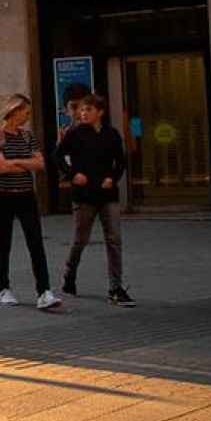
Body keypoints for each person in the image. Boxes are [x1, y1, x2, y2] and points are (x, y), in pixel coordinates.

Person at [0, 94, 63, 311]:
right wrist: (26, 164)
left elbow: (41, 163)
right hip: (2, 196)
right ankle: (3, 289)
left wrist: (16, 161)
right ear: (14, 111)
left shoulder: (28, 136)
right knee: (4, 242)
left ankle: (44, 292)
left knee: (36, 242)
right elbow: (2, 167)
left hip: (26, 195)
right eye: (25, 111)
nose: (27, 116)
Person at [58, 94, 133, 307]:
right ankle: (69, 274)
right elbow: (57, 155)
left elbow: (120, 161)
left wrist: (112, 178)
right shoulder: (74, 134)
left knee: (114, 239)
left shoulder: (111, 134)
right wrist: (73, 174)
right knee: (80, 240)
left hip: (107, 194)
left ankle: (115, 287)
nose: (83, 114)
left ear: (100, 112)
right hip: (84, 195)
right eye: (81, 110)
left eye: (88, 110)